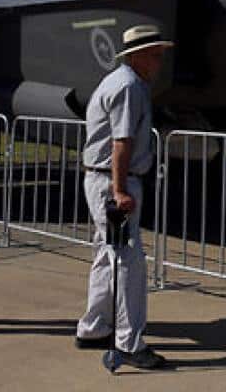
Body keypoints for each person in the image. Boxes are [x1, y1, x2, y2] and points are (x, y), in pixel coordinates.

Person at [75, 24, 173, 370]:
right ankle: (129, 342)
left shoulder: (120, 81)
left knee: (107, 254)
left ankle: (94, 327)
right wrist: (119, 190)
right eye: (156, 54)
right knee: (128, 261)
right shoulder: (130, 86)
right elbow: (122, 142)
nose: (159, 62)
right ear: (138, 55)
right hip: (114, 182)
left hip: (105, 179)